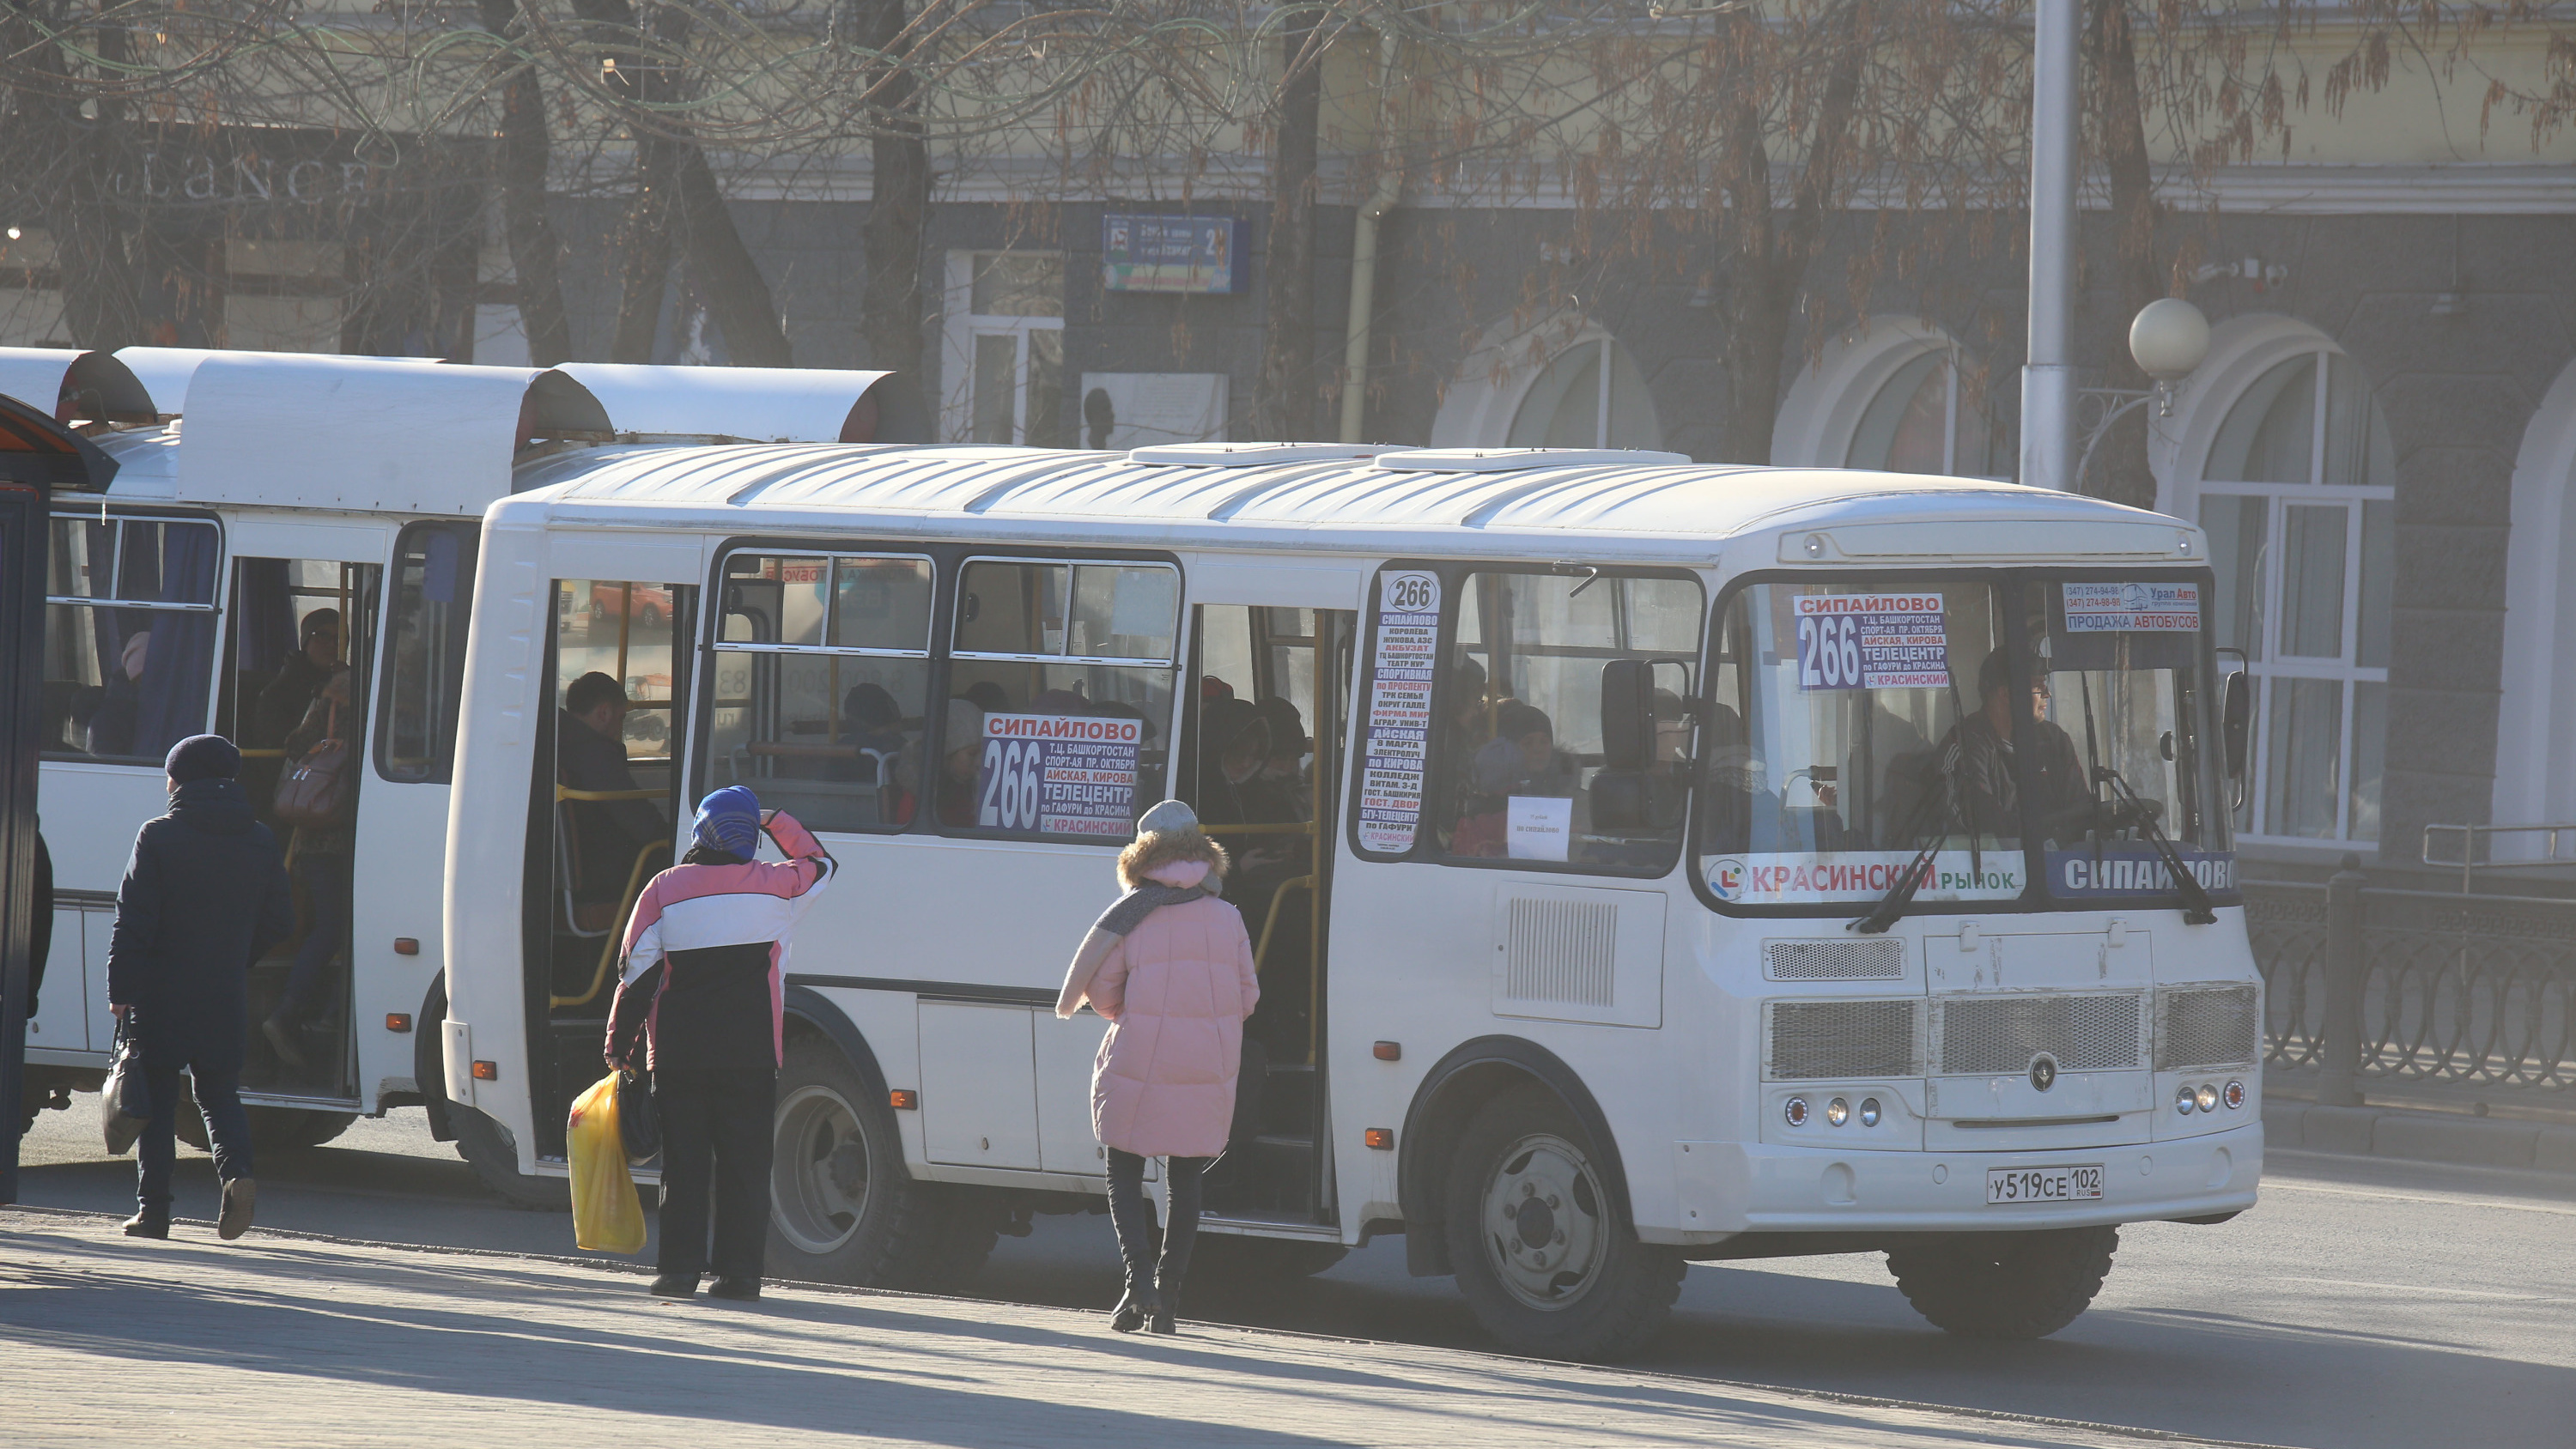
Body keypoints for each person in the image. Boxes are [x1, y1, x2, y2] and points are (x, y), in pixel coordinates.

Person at [605, 787, 836, 1301]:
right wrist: (776, 819)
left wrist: (619, 1042)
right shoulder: (778, 888)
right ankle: (739, 1277)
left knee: (685, 1165)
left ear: (701, 832)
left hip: (679, 1058)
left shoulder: (664, 889)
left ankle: (679, 1272)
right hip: (752, 1057)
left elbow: (635, 974)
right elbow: (821, 863)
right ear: (748, 835)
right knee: (746, 1166)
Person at [1054, 800, 1258, 1335]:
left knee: (1124, 1166)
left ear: (1142, 854)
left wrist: (1135, 1012)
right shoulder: (1228, 916)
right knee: (1186, 1177)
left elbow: (1103, 992)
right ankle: (1166, 1300)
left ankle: (1137, 1281)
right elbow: (1248, 996)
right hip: (1207, 1061)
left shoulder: (1134, 913)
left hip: (1140, 1053)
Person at [105, 735, 294, 1241]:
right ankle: (237, 1176)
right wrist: (236, 957)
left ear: (179, 780)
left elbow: (133, 922)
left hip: (160, 992)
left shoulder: (159, 835)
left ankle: (154, 1213)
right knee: (218, 1095)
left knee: (158, 1103)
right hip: (223, 991)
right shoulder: (259, 838)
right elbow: (281, 918)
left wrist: (120, 988)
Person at [264, 667, 357, 1068]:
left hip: (320, 840)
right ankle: (296, 1014)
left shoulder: (332, 700)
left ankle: (322, 1016)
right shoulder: (343, 700)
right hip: (337, 839)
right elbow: (296, 744)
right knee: (337, 928)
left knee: (340, 928)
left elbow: (295, 745)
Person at [1939, 648, 2090, 842]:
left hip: (2056, 865)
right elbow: (1982, 824)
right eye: (2038, 686)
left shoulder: (2054, 740)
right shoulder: (1964, 745)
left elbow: (2081, 810)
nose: (2048, 694)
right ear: (2006, 693)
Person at [559, 671, 665, 906]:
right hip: (605, 877)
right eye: (621, 717)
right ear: (604, 713)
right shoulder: (595, 755)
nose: (620, 727)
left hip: (576, 873)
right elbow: (640, 821)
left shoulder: (558, 741)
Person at [1453, 700, 1583, 856]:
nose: (1537, 749)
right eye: (1528, 743)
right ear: (1510, 751)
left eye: (1544, 741)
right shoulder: (1489, 801)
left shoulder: (1569, 792)